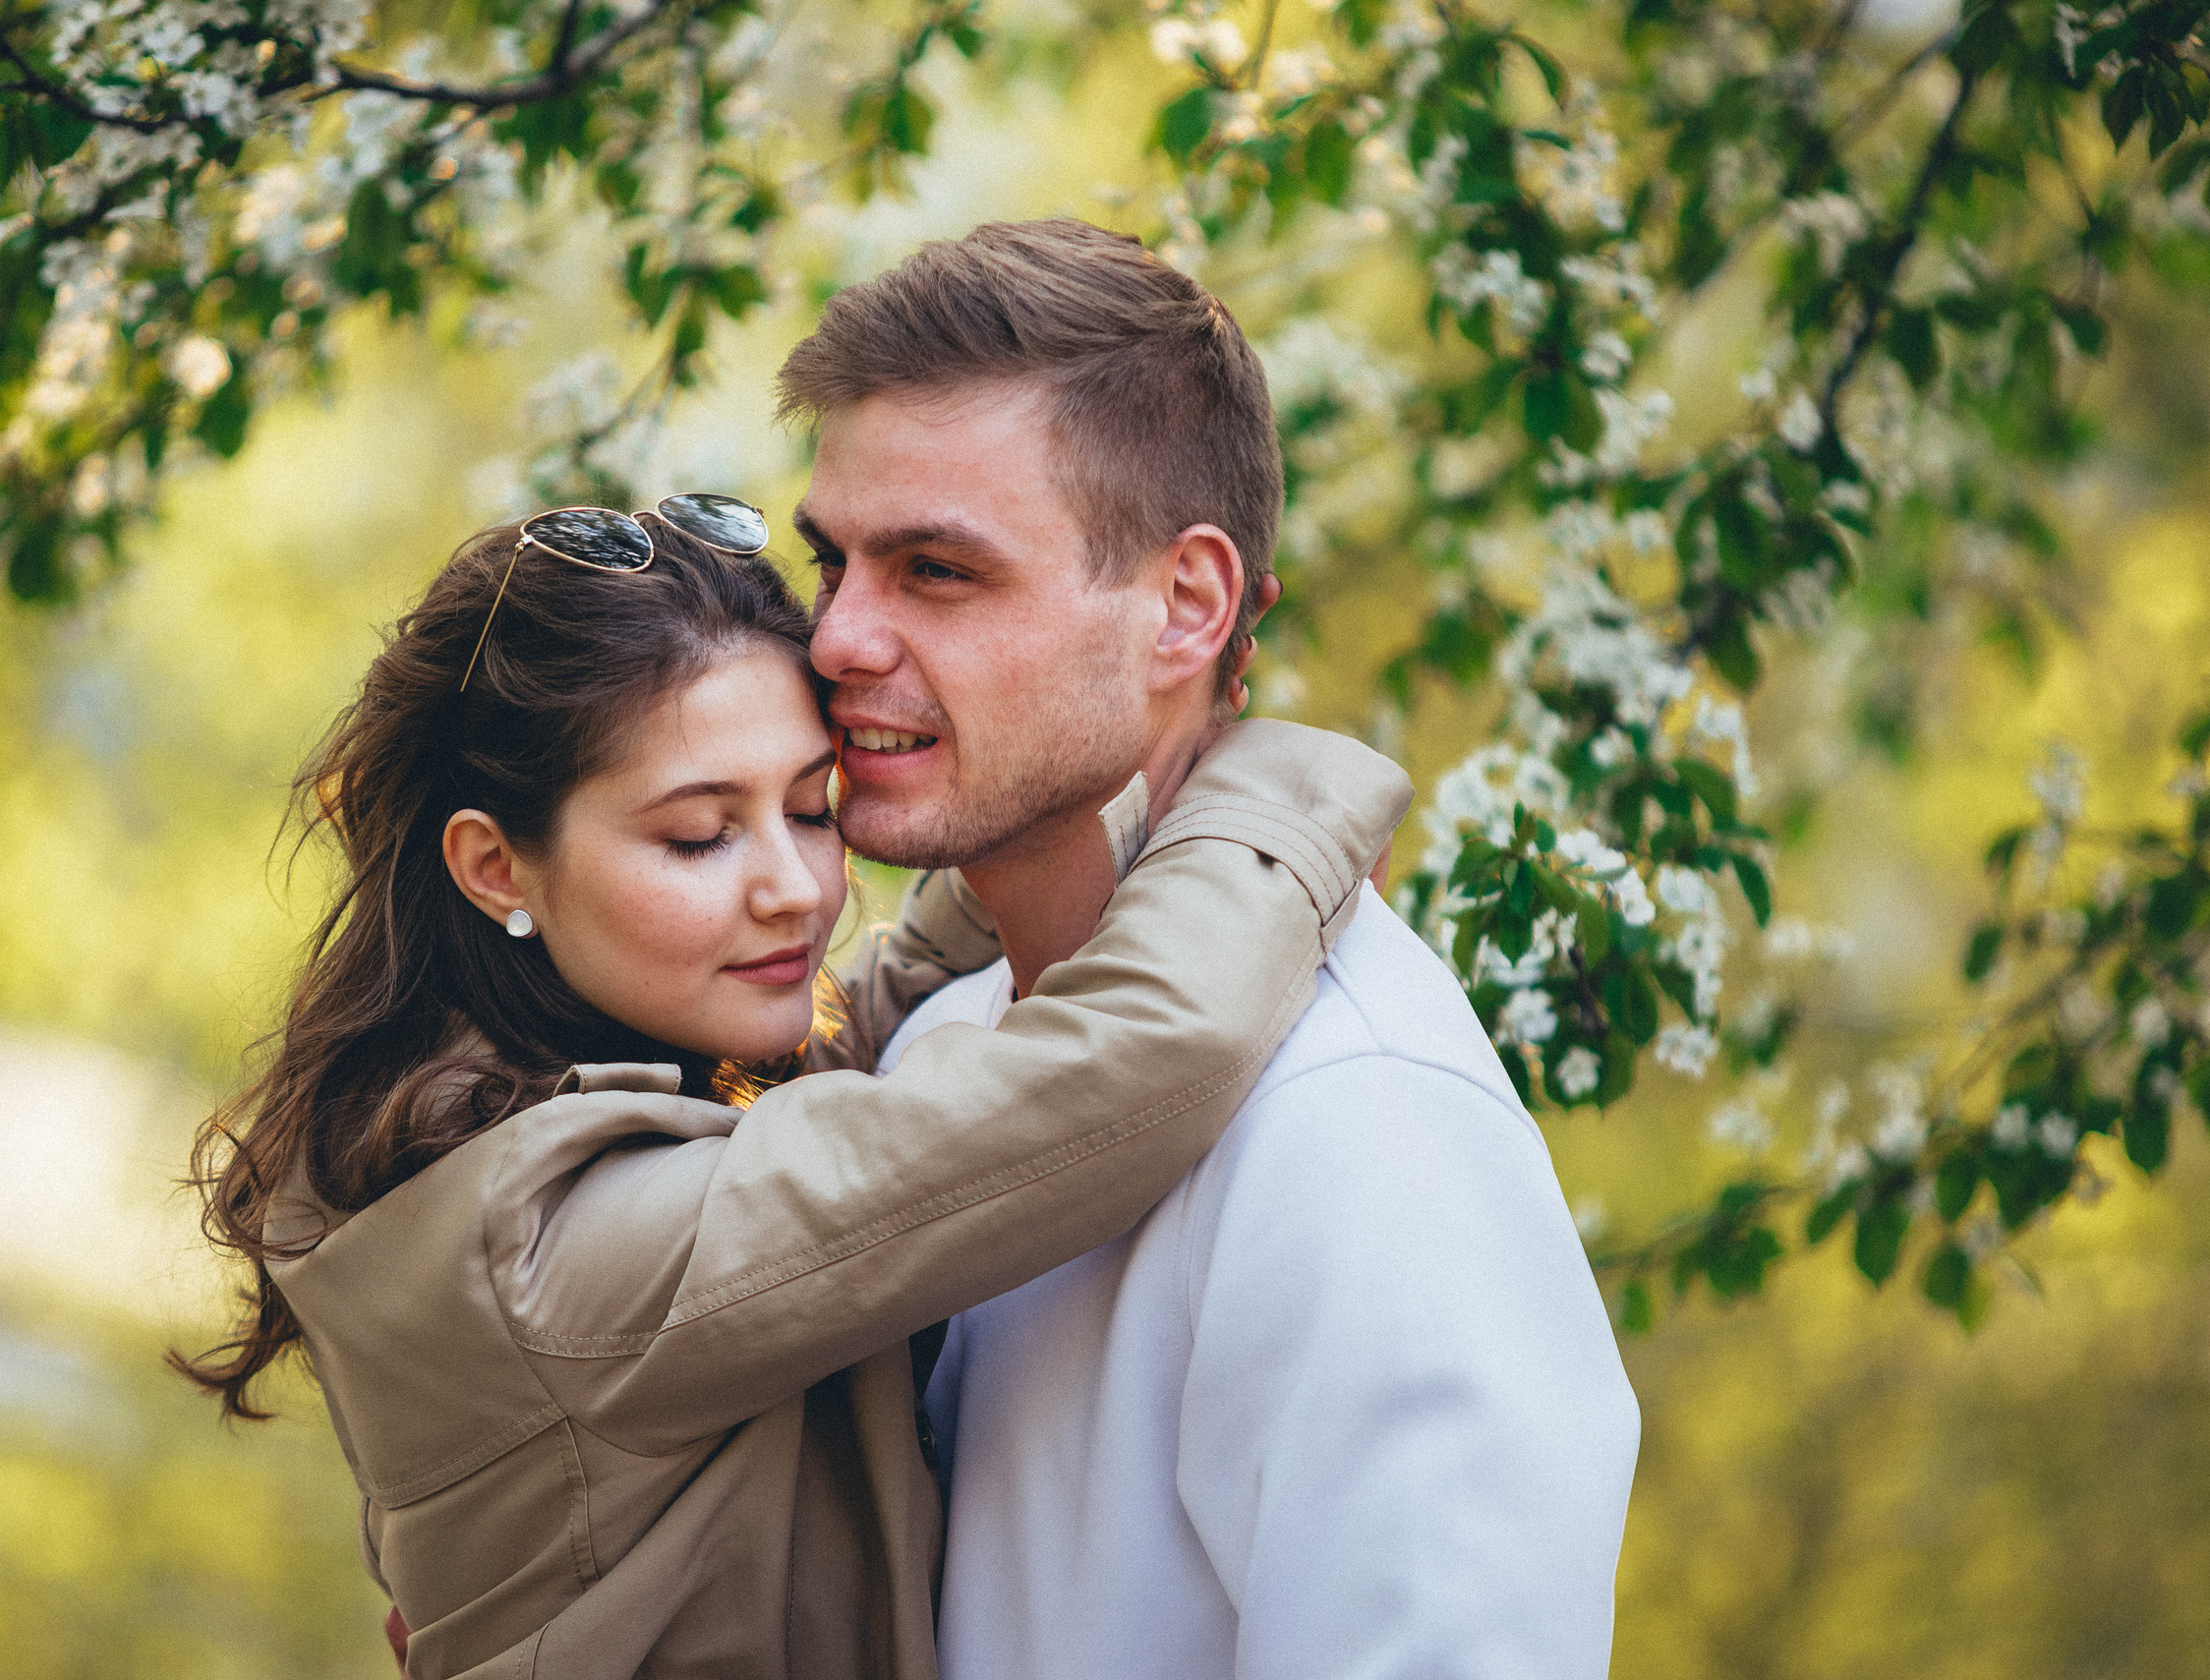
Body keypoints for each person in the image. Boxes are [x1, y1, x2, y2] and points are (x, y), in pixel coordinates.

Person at [173, 501, 1410, 1679]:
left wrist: (1037, 781)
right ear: (497, 863)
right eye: (700, 834)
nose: (796, 890)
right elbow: (1122, 1068)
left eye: (813, 807)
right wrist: (1279, 792)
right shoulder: (555, 1248)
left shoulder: (492, 1104)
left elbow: (858, 1039)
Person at [778, 216, 1641, 1678]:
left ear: (1187, 607)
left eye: (934, 570)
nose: (837, 640)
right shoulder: (934, 1052)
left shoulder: (1356, 1121)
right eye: (832, 562)